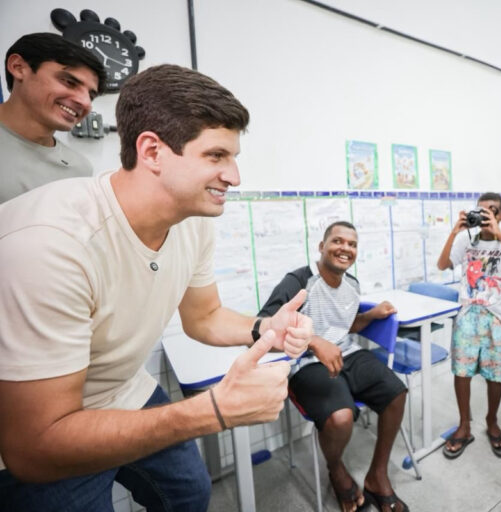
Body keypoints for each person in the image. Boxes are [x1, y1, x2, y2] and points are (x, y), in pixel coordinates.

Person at [0, 64, 313, 512]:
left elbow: (203, 318)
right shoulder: (50, 244)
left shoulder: (192, 221)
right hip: (41, 428)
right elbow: (32, 448)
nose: (235, 176)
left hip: (123, 388)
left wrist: (265, 329)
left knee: (188, 492)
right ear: (152, 151)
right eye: (216, 156)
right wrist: (213, 411)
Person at [258, 221, 409, 512]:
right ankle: (336, 469)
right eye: (338, 241)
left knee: (396, 392)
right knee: (341, 418)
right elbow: (264, 325)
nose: (345, 249)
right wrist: (314, 341)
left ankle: (377, 476)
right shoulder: (299, 280)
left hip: (347, 352)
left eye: (352, 244)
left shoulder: (352, 284)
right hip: (305, 363)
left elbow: (346, 324)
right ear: (322, 247)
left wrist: (372, 315)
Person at [436, 192, 501, 459]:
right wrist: (455, 231)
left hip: (499, 317)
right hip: (468, 314)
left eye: (492, 211)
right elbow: (443, 264)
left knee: (496, 373)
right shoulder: (466, 240)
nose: (486, 216)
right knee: (462, 372)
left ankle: (492, 421)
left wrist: (499, 234)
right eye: (481, 211)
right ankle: (464, 425)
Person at [0, 33, 106, 203]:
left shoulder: (79, 170)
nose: (85, 102)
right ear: (18, 67)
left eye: (91, 96)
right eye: (69, 82)